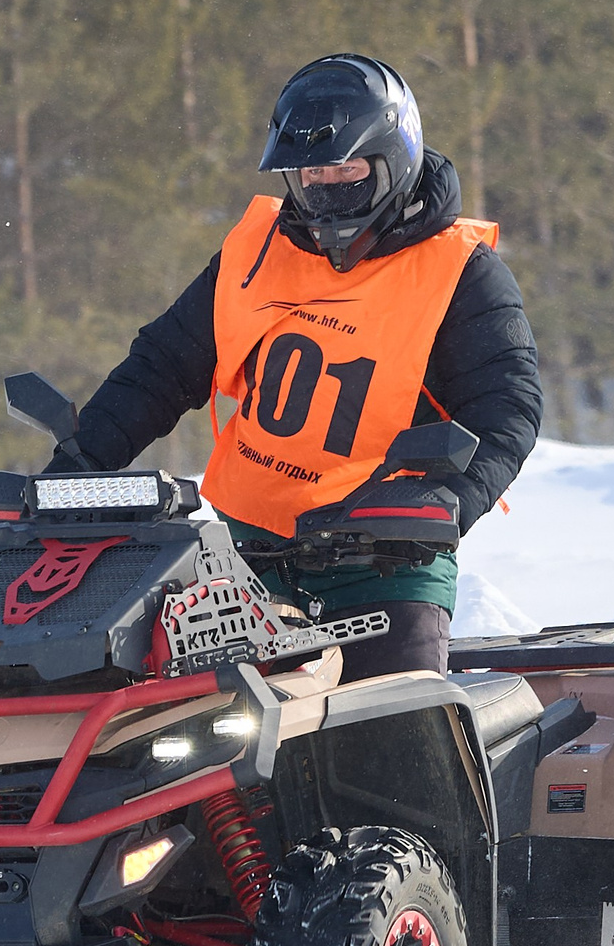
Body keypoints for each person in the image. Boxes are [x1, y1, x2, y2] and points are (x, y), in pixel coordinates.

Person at [50, 52, 541, 680]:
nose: (327, 188)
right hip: (241, 564)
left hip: (387, 564)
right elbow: (164, 366)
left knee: (398, 728)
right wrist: (80, 465)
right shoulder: (256, 251)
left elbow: (508, 408)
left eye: (347, 170)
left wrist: (448, 502)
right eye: (312, 173)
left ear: (395, 158)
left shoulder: (462, 274)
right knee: (178, 731)